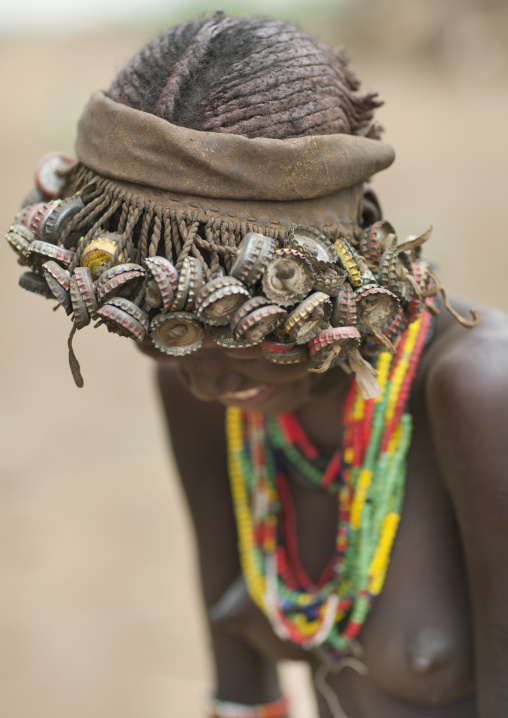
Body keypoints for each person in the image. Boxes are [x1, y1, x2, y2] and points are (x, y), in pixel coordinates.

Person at [6, 13, 508, 718]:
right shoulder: (202, 398)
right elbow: (241, 694)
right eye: (169, 323)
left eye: (242, 319)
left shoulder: (478, 392)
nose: (206, 379)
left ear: (356, 241)